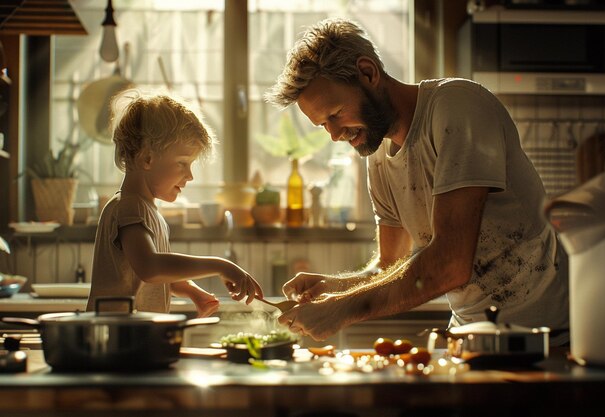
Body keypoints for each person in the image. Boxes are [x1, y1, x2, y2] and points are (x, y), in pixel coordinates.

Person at [265, 18, 569, 345]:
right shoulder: (379, 155)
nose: (336, 135)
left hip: (545, 340)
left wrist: (341, 310)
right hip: (470, 339)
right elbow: (388, 266)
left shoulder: (458, 107)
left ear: (368, 73)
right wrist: (333, 288)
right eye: (324, 125)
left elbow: (449, 265)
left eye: (336, 113)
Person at [87, 90, 263, 316]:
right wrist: (221, 265)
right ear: (147, 158)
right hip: (116, 340)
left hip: (133, 338)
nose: (189, 176)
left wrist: (191, 291)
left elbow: (155, 277)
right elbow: (150, 268)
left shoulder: (148, 211)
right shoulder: (129, 208)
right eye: (182, 163)